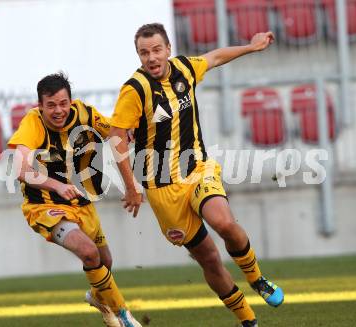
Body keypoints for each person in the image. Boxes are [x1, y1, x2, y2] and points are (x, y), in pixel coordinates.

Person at [109, 23, 283, 327]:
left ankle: (257, 279)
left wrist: (251, 47)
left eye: (156, 50)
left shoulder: (185, 69)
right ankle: (248, 320)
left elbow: (214, 58)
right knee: (209, 258)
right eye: (143, 52)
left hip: (198, 170)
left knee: (224, 222)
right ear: (138, 55)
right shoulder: (134, 90)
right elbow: (117, 135)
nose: (151, 58)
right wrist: (131, 187)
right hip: (162, 190)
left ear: (168, 49)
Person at [8, 72, 142, 327]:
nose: (58, 110)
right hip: (44, 206)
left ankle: (97, 297)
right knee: (89, 253)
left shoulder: (86, 115)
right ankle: (124, 316)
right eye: (51, 105)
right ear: (40, 105)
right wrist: (56, 185)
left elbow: (115, 134)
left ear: (71, 101)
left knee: (105, 262)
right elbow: (21, 170)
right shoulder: (32, 123)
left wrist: (133, 136)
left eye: (63, 103)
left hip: (81, 203)